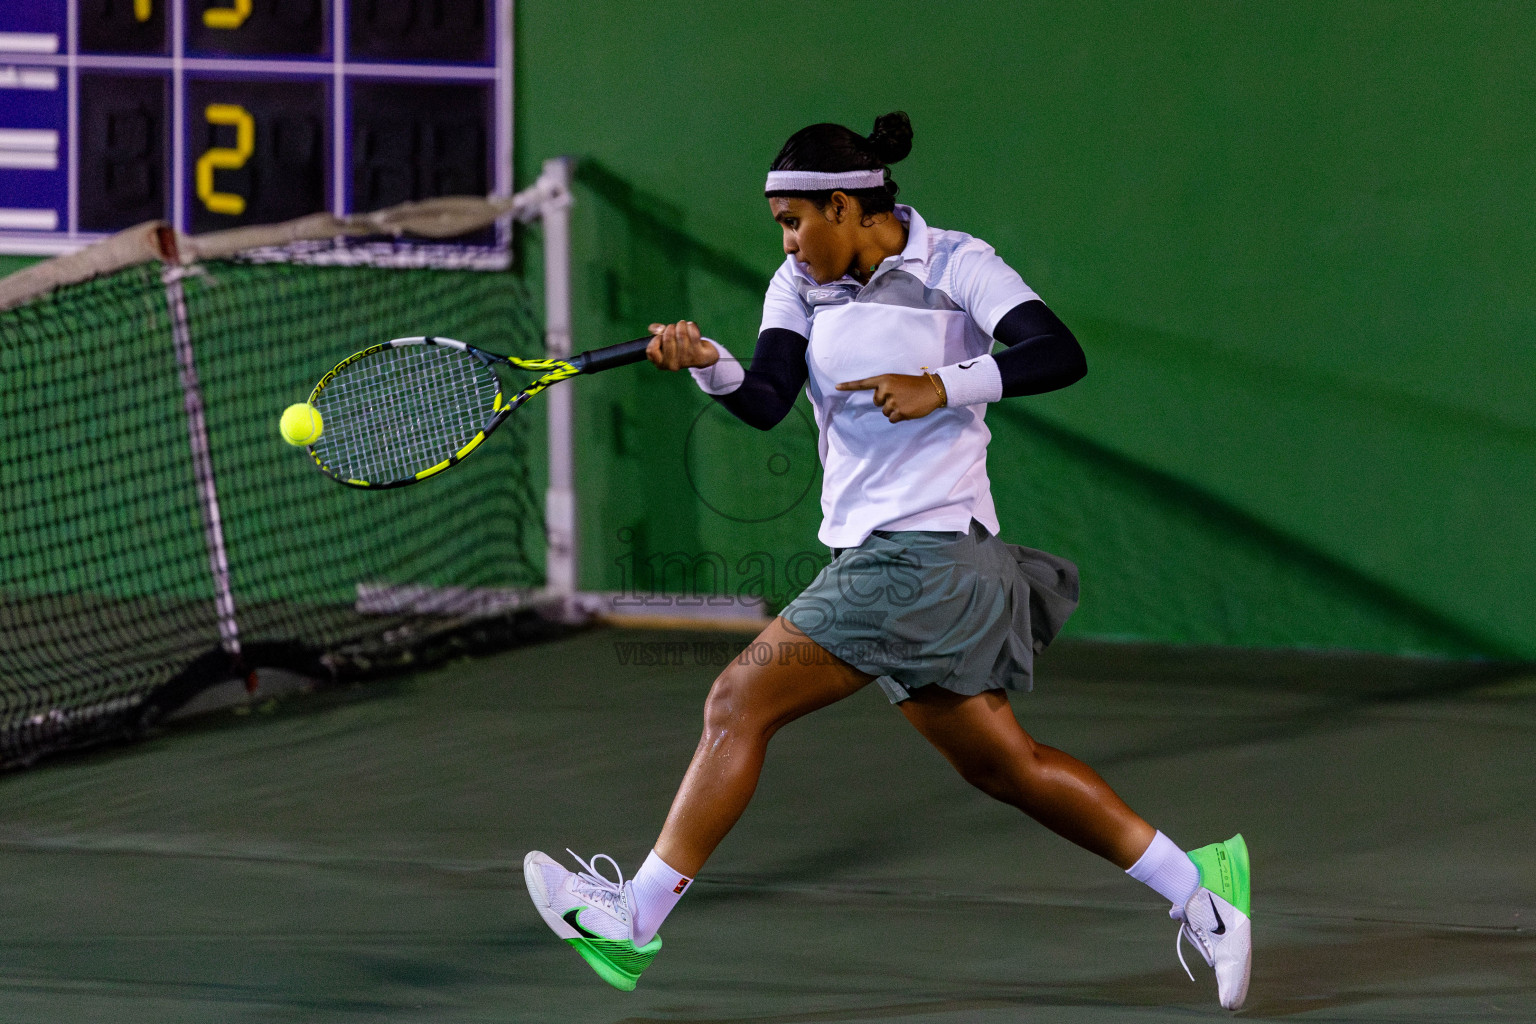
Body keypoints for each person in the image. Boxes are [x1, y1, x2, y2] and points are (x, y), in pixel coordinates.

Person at [523, 111, 1251, 1010]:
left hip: (928, 555)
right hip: (892, 562)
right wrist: (707, 363)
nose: (787, 243)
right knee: (1004, 768)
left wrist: (945, 383)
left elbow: (1057, 354)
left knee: (736, 702)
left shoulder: (958, 266)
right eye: (780, 229)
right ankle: (1204, 894)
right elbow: (765, 398)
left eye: (795, 222)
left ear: (843, 205)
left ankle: (633, 919)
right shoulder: (796, 285)